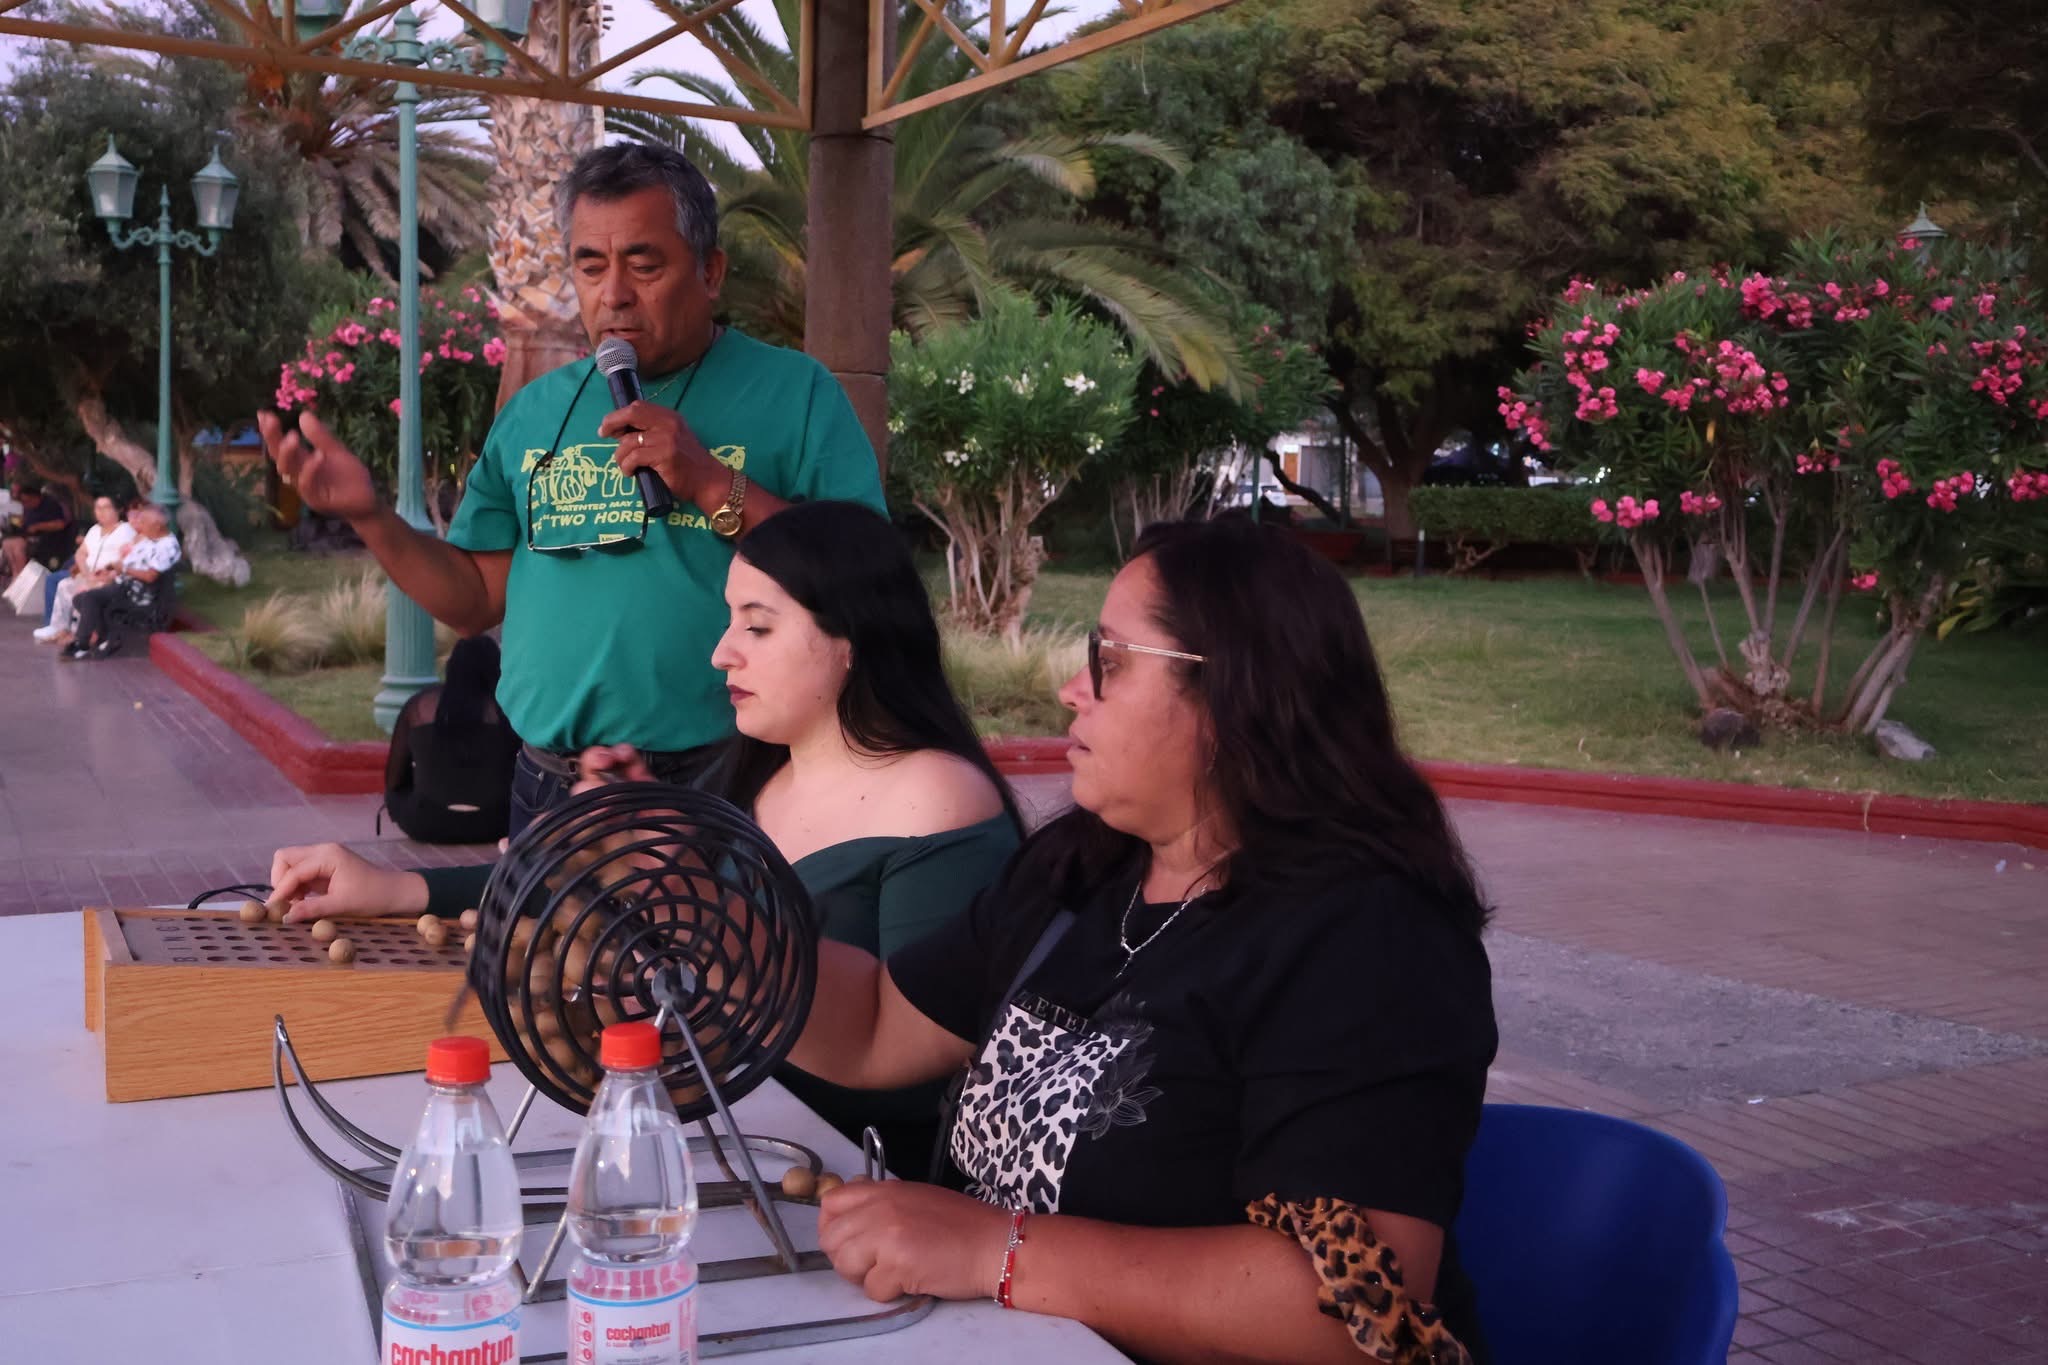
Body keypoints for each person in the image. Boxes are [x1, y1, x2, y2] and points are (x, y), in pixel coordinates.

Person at [782, 518, 1499, 1364]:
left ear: (1233, 693)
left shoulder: (1369, 940)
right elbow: (875, 1025)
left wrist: (996, 1250)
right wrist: (704, 922)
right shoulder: (1085, 867)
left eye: (1110, 660)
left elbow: (1356, 1309)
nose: (1072, 689)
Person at [268, 501, 1021, 1168]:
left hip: (847, 1177)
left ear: (853, 639)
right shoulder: (756, 774)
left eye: (758, 626)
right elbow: (600, 882)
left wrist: (675, 876)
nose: (722, 652)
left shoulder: (937, 797)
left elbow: (915, 1061)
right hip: (714, 1142)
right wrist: (395, 887)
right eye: (730, 621)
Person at [257, 142, 887, 835]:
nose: (613, 294)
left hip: (727, 776)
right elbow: (473, 599)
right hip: (550, 784)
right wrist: (371, 517)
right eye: (590, 266)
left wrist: (712, 483)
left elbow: (867, 583)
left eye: (644, 265)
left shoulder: (796, 394)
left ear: (710, 272)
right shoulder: (533, 412)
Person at [63, 503, 179, 660]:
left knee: (90, 598)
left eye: (144, 522)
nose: (140, 525)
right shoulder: (148, 539)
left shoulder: (167, 546)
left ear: (157, 525)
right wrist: (110, 570)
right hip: (123, 586)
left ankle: (82, 644)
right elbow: (128, 564)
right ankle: (106, 636)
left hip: (137, 594)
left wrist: (123, 569)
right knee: (80, 599)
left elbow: (150, 577)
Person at [35, 494, 136, 645]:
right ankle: (58, 628)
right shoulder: (95, 530)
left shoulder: (126, 530)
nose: (101, 512)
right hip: (89, 574)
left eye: (106, 508)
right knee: (64, 584)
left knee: (85, 590)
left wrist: (107, 574)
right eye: (97, 508)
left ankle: (78, 633)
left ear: (118, 510)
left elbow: (128, 559)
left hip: (109, 578)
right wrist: (87, 574)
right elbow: (81, 553)